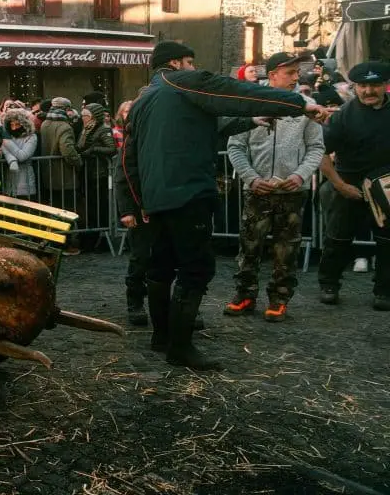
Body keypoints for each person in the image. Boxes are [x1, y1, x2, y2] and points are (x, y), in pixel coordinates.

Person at [120, 41, 332, 371]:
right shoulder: (183, 81)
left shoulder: (145, 98)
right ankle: (180, 347)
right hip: (188, 192)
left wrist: (138, 201)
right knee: (196, 269)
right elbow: (237, 92)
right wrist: (298, 104)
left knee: (160, 267)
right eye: (190, 61)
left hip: (156, 198)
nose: (194, 67)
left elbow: (128, 157)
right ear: (176, 63)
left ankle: (162, 337)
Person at [224, 53, 325, 322]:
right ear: (272, 75)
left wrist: (300, 175)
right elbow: (235, 147)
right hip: (257, 190)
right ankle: (244, 294)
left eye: (297, 72)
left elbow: (316, 148)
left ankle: (279, 299)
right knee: (249, 246)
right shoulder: (250, 104)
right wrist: (251, 178)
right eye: (290, 72)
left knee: (286, 249)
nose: (296, 77)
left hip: (291, 192)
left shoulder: (307, 106)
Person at [317, 61, 390, 311]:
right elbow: (321, 154)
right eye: (363, 86)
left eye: (375, 85)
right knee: (337, 238)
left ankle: (384, 292)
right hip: (349, 187)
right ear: (355, 87)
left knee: (388, 241)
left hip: (386, 189)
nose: (369, 91)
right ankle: (329, 284)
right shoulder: (344, 116)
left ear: (385, 86)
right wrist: (339, 185)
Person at [40, 100, 82, 255]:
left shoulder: (45, 124)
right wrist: (79, 162)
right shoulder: (64, 127)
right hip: (64, 176)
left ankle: (54, 242)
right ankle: (67, 244)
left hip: (48, 175)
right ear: (66, 109)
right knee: (68, 212)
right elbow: (68, 151)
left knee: (54, 211)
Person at [77, 102, 117, 241]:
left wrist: (94, 150)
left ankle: (102, 238)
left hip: (99, 173)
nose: (83, 118)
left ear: (94, 116)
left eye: (86, 115)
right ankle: (92, 237)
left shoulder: (103, 129)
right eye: (82, 115)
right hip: (87, 172)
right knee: (91, 207)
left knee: (100, 207)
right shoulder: (85, 129)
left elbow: (112, 149)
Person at [1, 108, 38, 201]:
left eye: (17, 124)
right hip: (9, 180)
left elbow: (23, 156)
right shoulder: (9, 136)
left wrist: (7, 142)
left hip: (25, 179)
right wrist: (12, 160)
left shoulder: (31, 137)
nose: (14, 128)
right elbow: (5, 151)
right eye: (11, 125)